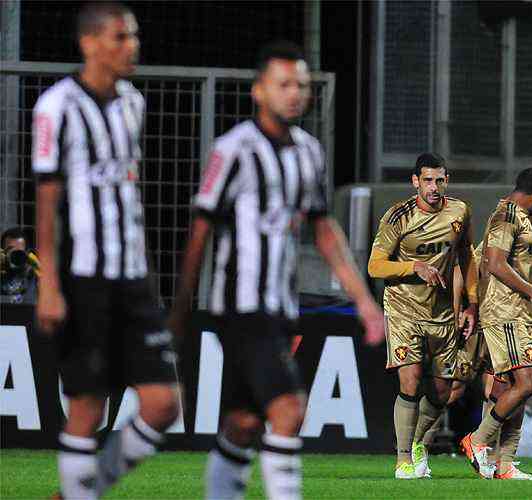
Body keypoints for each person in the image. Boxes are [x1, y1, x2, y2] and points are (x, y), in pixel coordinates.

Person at [168, 41, 384, 500]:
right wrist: (181, 310)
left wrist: (364, 301)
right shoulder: (234, 150)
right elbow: (200, 231)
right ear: (258, 91)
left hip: (281, 306)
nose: (295, 94)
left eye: (301, 85)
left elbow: (324, 230)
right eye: (284, 84)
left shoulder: (308, 152)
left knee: (245, 423)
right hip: (241, 306)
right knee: (288, 409)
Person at [32, 3, 180, 499]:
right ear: (90, 43)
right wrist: (50, 285)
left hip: (133, 280)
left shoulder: (133, 103)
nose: (132, 46)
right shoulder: (57, 107)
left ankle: (79, 492)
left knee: (163, 405)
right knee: (87, 407)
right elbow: (48, 203)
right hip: (83, 279)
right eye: (121, 37)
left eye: (134, 36)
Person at [367, 153, 477, 479]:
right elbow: (375, 266)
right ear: (415, 181)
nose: (434, 187)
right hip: (403, 309)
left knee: (443, 391)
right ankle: (403, 461)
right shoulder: (397, 217)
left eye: (440, 180)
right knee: (411, 381)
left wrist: (471, 304)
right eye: (427, 180)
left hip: (442, 313)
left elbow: (467, 257)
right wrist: (413, 266)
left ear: (447, 180)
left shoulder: (459, 211)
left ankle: (417, 443)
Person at [458, 167, 532, 479]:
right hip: (506, 314)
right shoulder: (507, 216)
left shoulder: (515, 219)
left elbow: (503, 260)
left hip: (519, 314)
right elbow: (495, 263)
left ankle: (504, 464)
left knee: (515, 387)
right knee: (527, 382)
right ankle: (477, 440)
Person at [0, 227, 40, 304]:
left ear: (27, 253)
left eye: (19, 251)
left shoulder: (35, 278)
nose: (15, 254)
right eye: (10, 249)